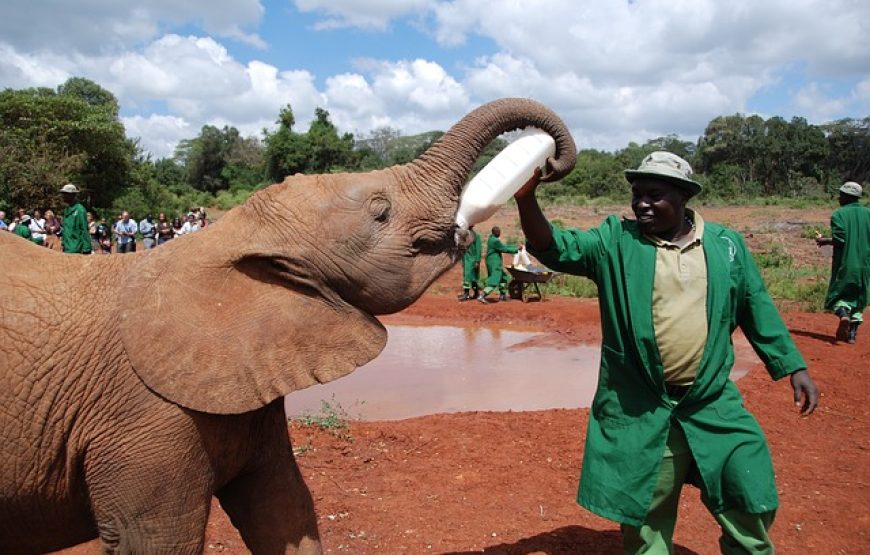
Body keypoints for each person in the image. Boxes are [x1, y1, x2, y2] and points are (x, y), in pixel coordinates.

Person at [513, 151, 819, 554]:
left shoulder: (727, 247)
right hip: (643, 404)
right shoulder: (615, 241)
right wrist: (525, 198)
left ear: (683, 196)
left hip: (710, 400)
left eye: (654, 195)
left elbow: (755, 305)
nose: (641, 203)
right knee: (646, 515)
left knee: (747, 486)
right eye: (636, 194)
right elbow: (553, 246)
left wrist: (792, 366)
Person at [815, 181, 870, 344]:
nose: (838, 198)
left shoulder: (839, 215)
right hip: (865, 265)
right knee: (859, 297)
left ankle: (843, 314)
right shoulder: (868, 214)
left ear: (847, 197)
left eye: (841, 195)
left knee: (839, 294)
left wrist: (824, 241)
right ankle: (852, 335)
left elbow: (840, 239)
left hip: (846, 263)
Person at [478, 225, 519, 303]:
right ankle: (482, 295)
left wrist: (515, 247)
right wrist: (516, 250)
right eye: (498, 232)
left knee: (504, 277)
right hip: (494, 263)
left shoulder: (491, 238)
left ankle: (502, 295)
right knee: (494, 279)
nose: (499, 233)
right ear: (496, 233)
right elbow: (504, 249)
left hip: (491, 261)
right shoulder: (495, 241)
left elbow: (503, 246)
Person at [60, 183, 92, 254]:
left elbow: (84, 229)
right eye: (63, 194)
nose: (63, 196)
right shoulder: (67, 210)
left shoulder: (80, 210)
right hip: (67, 248)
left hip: (76, 249)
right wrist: (63, 243)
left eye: (66, 194)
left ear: (72, 195)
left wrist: (87, 248)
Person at [458, 226, 482, 302]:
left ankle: (467, 294)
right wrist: (462, 259)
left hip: (473, 259)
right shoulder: (464, 236)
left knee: (470, 277)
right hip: (466, 259)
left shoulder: (476, 236)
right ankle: (475, 292)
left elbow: (478, 249)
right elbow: (461, 248)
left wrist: (477, 261)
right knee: (468, 276)